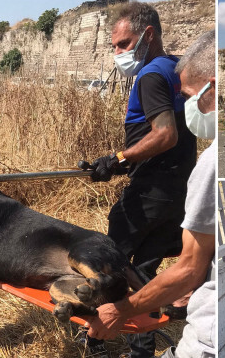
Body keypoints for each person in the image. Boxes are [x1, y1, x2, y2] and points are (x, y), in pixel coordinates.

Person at [87, 29, 216, 358]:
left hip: (150, 193)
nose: (118, 52)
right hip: (178, 191)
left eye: (123, 44)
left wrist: (118, 158)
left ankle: (96, 340)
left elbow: (165, 135)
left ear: (147, 35)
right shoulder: (177, 67)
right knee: (143, 268)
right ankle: (142, 348)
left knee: (110, 264)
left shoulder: (150, 74)